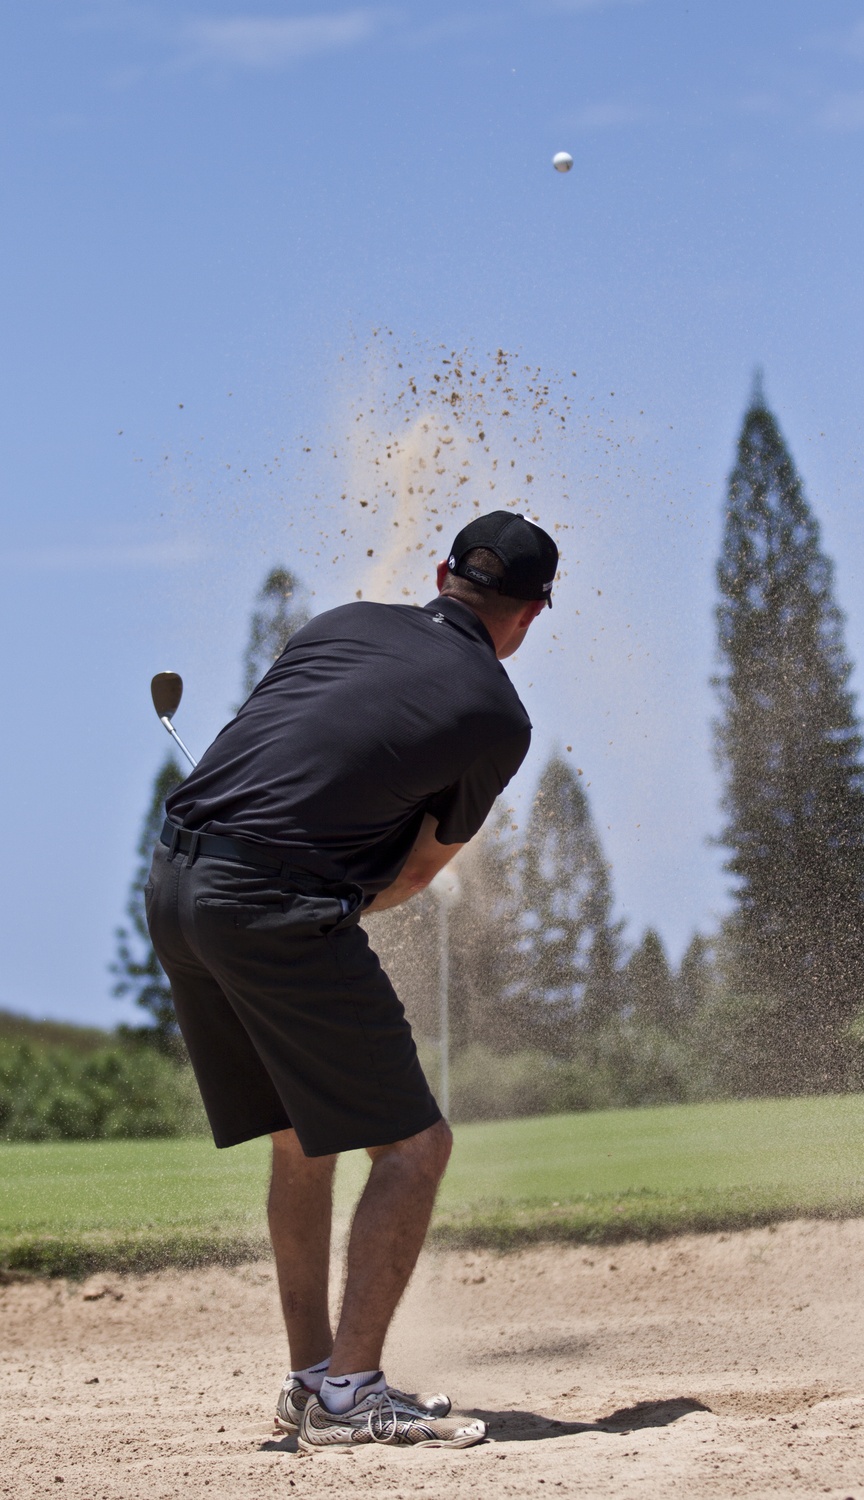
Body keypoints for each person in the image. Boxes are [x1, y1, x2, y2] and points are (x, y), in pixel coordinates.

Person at [145, 510, 558, 1453]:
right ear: (532, 615)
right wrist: (327, 902)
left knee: (304, 1134)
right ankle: (350, 1394)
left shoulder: (337, 623)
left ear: (442, 572)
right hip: (267, 908)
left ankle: (312, 1378)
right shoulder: (496, 714)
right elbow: (413, 876)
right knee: (414, 1150)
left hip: (172, 887)